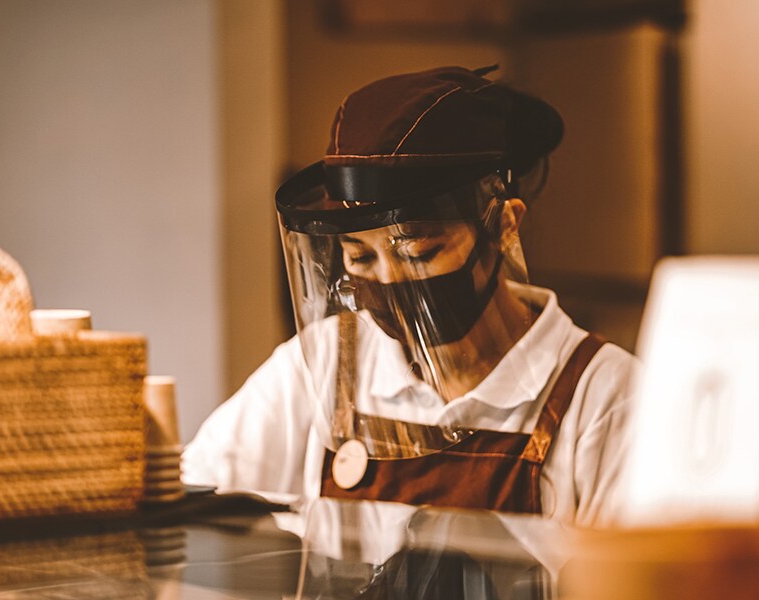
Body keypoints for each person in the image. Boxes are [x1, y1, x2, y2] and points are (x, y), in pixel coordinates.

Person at [182, 65, 637, 526]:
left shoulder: (604, 396)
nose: (388, 280)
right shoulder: (323, 364)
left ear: (504, 224)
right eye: (360, 258)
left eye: (418, 252)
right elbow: (197, 502)